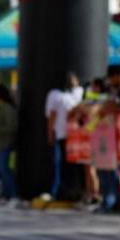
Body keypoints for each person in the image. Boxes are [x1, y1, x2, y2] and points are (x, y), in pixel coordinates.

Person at [45, 72, 84, 201]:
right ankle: (57, 191)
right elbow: (52, 114)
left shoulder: (76, 93)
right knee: (59, 163)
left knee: (72, 165)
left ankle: (73, 191)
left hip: (75, 136)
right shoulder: (55, 94)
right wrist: (50, 132)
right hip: (61, 134)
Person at [0, 84, 17, 202]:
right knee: (2, 171)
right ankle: (6, 195)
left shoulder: (6, 108)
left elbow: (11, 127)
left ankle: (12, 195)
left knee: (5, 170)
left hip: (5, 144)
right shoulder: (1, 107)